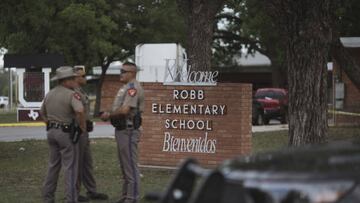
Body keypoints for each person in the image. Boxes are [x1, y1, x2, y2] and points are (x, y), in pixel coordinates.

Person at [40, 66, 86, 203]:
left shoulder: (50, 94)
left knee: (53, 166)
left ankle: (48, 197)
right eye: (72, 78)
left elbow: (42, 112)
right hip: (66, 133)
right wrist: (82, 127)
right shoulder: (72, 94)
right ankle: (70, 199)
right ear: (66, 80)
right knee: (70, 167)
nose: (75, 80)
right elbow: (80, 111)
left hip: (52, 132)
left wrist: (50, 123)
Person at [100, 62, 144, 203]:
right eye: (121, 71)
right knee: (125, 165)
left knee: (130, 166)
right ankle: (126, 196)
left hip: (129, 130)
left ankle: (132, 198)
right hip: (122, 130)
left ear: (132, 73)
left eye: (124, 71)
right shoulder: (126, 87)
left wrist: (109, 115)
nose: (121, 73)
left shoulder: (133, 88)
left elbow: (125, 110)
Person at [73, 65, 108, 202]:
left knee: (87, 162)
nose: (85, 77)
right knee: (77, 163)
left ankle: (91, 191)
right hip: (78, 131)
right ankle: (74, 192)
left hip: (85, 131)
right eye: (82, 76)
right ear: (75, 77)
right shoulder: (73, 92)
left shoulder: (80, 91)